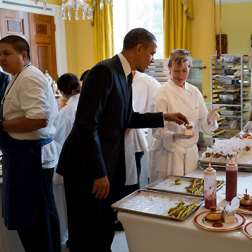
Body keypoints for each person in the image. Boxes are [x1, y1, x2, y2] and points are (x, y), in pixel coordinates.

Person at [56, 28, 188, 252]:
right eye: (151, 53)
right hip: (86, 167)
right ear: (138, 48)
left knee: (104, 225)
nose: (152, 59)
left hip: (105, 162)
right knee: (88, 231)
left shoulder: (124, 74)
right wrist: (99, 172)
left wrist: (164, 117)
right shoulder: (104, 72)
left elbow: (127, 117)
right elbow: (87, 125)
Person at [0, 35, 60, 252]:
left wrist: (2, 126)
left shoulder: (29, 78)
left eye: (6, 53)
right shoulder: (18, 76)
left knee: (34, 220)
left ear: (23, 55)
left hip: (30, 157)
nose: (1, 59)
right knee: (37, 217)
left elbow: (38, 119)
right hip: (23, 155)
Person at [151, 49, 219, 181]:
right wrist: (176, 135)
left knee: (190, 192)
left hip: (191, 154)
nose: (180, 75)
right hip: (170, 155)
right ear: (169, 68)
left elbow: (204, 125)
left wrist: (210, 119)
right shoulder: (162, 94)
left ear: (190, 69)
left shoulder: (194, 92)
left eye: (184, 71)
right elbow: (157, 131)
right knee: (169, 196)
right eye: (176, 71)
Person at [52, 73, 81, 245]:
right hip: (89, 163)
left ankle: (73, 238)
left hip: (72, 163)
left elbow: (58, 138)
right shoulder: (86, 104)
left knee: (71, 206)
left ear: (62, 91)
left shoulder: (66, 112)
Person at [124, 71, 161, 191]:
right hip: (131, 140)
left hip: (140, 138)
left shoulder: (149, 82)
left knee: (136, 181)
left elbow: (133, 117)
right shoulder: (123, 82)